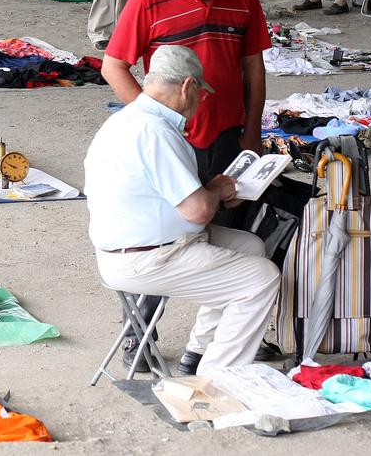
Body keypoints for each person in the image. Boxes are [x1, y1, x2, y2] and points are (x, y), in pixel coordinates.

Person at [85, 45, 280, 377]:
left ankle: (201, 350)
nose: (200, 103)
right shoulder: (153, 131)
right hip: (146, 257)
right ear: (188, 86)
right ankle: (219, 378)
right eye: (200, 94)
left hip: (136, 246)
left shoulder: (127, 120)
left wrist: (213, 191)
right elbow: (198, 211)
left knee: (250, 247)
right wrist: (216, 191)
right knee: (262, 278)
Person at [103, 0, 270, 178]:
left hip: (230, 132)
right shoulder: (147, 1)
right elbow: (113, 67)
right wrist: (154, 121)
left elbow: (254, 67)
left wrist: (253, 130)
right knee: (187, 212)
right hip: (173, 136)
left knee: (229, 211)